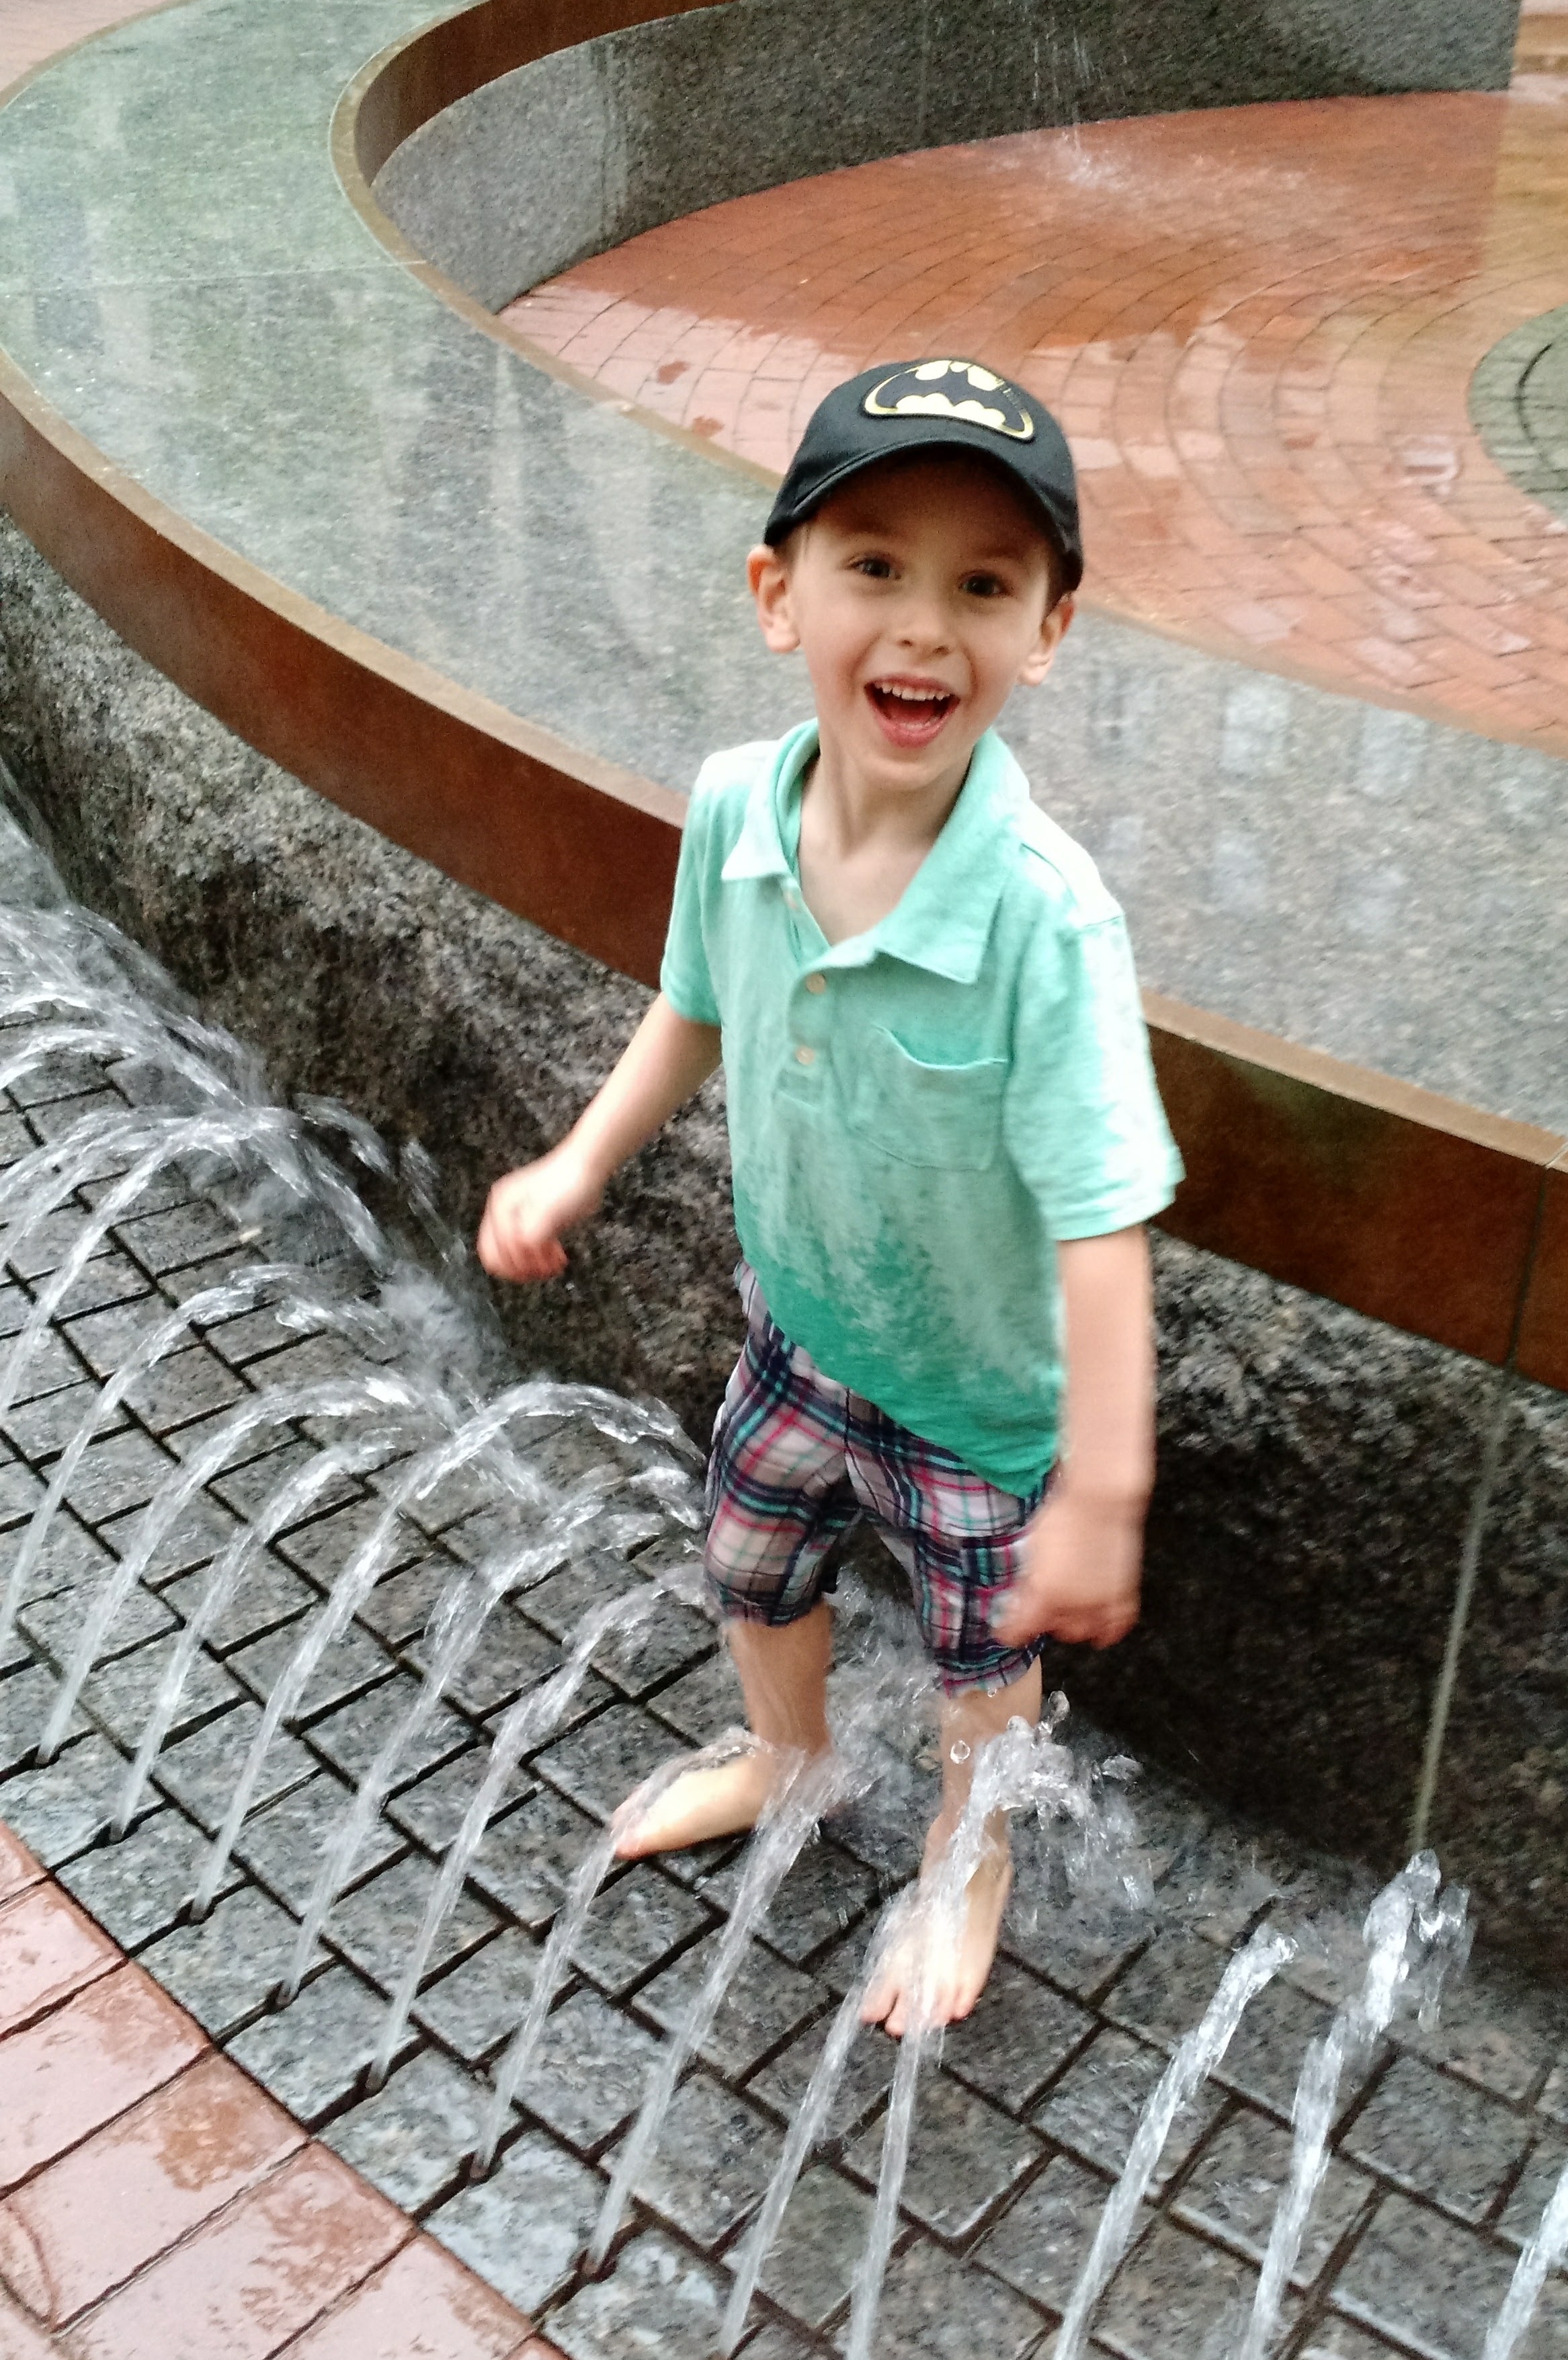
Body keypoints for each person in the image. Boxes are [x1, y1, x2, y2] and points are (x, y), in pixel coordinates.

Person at [478, 358, 1182, 2035]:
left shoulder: (1044, 921)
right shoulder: (739, 806)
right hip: (797, 1328)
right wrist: (581, 1158)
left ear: (1048, 631)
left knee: (979, 1667)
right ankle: (787, 1754)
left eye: (984, 585)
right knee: (748, 1556)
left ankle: (967, 1859)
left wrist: (1102, 1487)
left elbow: (1103, 1219)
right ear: (778, 592)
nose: (924, 626)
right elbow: (693, 1005)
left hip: (977, 1407)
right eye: (876, 564)